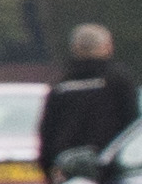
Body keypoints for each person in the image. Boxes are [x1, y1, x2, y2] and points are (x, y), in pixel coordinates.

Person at [40, 23, 131, 171]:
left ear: (75, 48)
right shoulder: (118, 80)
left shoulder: (61, 83)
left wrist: (48, 166)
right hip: (109, 166)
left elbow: (48, 129)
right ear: (107, 47)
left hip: (66, 166)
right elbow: (130, 123)